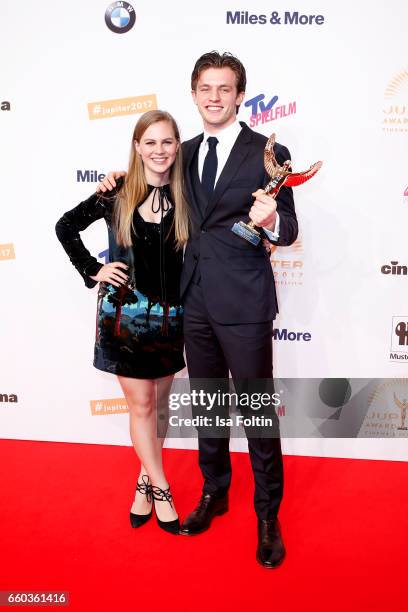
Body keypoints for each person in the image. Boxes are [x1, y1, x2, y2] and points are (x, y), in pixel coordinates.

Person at [98, 51, 298, 567]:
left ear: (239, 94)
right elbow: (145, 184)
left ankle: (267, 515)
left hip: (246, 303)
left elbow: (289, 231)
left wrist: (273, 217)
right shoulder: (180, 153)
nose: (214, 97)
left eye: (224, 88)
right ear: (194, 95)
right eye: (205, 88)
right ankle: (215, 492)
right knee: (209, 404)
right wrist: (112, 184)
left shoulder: (268, 153)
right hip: (191, 304)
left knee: (255, 411)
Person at [55, 110, 190, 535]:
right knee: (143, 405)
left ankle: (143, 483)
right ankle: (163, 487)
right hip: (124, 319)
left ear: (177, 147)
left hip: (171, 317)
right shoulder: (115, 193)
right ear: (137, 147)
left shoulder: (189, 196)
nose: (159, 150)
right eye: (150, 142)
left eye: (167, 142)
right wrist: (92, 269)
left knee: (162, 405)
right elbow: (66, 227)